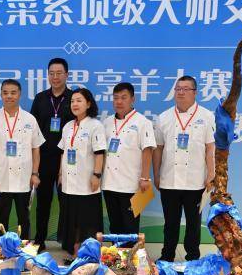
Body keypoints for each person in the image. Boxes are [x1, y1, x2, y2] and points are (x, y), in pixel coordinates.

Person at [153, 75, 215, 262]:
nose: (180, 92)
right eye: (178, 89)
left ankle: (193, 258)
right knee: (170, 223)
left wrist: (211, 174)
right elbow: (158, 148)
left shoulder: (206, 116)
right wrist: (156, 174)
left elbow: (210, 148)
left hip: (195, 182)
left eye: (185, 89)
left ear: (195, 93)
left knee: (193, 224)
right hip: (169, 180)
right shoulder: (164, 117)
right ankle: (167, 256)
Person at [0, 79, 44, 239]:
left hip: (24, 179)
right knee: (1, 219)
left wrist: (35, 173)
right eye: (5, 93)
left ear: (19, 94)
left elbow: (36, 148)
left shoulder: (30, 119)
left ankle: (23, 250)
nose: (9, 96)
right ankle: (3, 249)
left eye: (13, 92)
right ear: (1, 95)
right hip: (1, 179)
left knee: (24, 219)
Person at [101, 82, 156, 240]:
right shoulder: (107, 122)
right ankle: (116, 254)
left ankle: (130, 254)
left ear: (133, 99)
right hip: (109, 183)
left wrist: (145, 178)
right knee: (114, 224)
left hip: (131, 185)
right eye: (116, 98)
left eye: (123, 97)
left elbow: (147, 150)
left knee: (130, 226)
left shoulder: (142, 122)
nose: (119, 101)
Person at [29, 58, 74, 251]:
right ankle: (40, 239)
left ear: (66, 75)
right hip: (44, 158)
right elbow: (32, 130)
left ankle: (68, 241)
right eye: (52, 73)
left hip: (68, 160)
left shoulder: (74, 98)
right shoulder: (40, 98)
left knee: (67, 202)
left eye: (59, 73)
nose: (55, 77)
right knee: (43, 202)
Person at [58, 88, 106, 257]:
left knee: (86, 220)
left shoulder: (95, 125)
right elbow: (63, 152)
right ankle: (73, 249)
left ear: (88, 104)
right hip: (69, 183)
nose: (75, 104)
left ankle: (87, 252)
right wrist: (60, 174)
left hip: (86, 183)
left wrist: (97, 175)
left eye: (79, 100)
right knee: (71, 219)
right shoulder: (68, 126)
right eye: (72, 101)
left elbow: (99, 153)